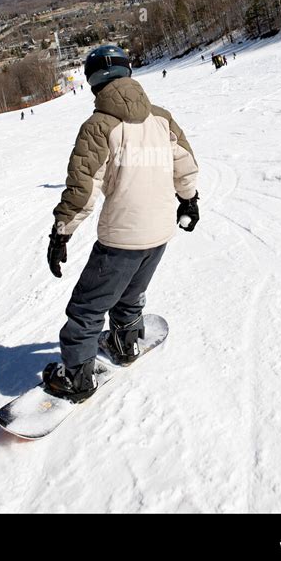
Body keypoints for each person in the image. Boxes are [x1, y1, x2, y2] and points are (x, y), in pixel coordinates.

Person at [43, 45, 199, 402]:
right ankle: (125, 341)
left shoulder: (99, 126)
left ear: (94, 82)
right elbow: (185, 164)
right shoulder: (161, 117)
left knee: (86, 309)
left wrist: (61, 232)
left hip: (122, 238)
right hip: (160, 232)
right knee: (129, 294)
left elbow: (83, 189)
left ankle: (76, 378)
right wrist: (189, 199)